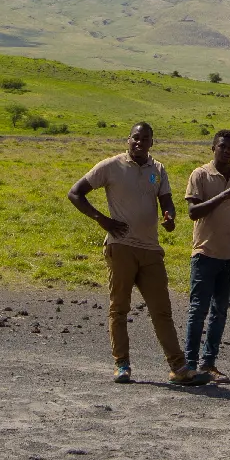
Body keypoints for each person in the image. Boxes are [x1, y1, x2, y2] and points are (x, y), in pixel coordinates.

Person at [68, 122, 211, 386]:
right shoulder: (111, 166)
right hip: (120, 247)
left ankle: (178, 368)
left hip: (150, 250)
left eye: (145, 139)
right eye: (135, 138)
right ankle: (122, 364)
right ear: (128, 140)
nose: (139, 143)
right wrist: (103, 220)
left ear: (151, 143)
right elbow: (75, 193)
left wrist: (169, 215)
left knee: (162, 311)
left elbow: (165, 200)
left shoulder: (157, 170)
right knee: (119, 308)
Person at [182, 129, 230, 382]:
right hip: (205, 253)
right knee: (198, 310)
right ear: (213, 147)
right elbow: (193, 212)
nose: (227, 151)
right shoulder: (200, 175)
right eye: (222, 146)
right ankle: (189, 364)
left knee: (220, 312)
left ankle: (209, 364)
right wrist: (225, 195)